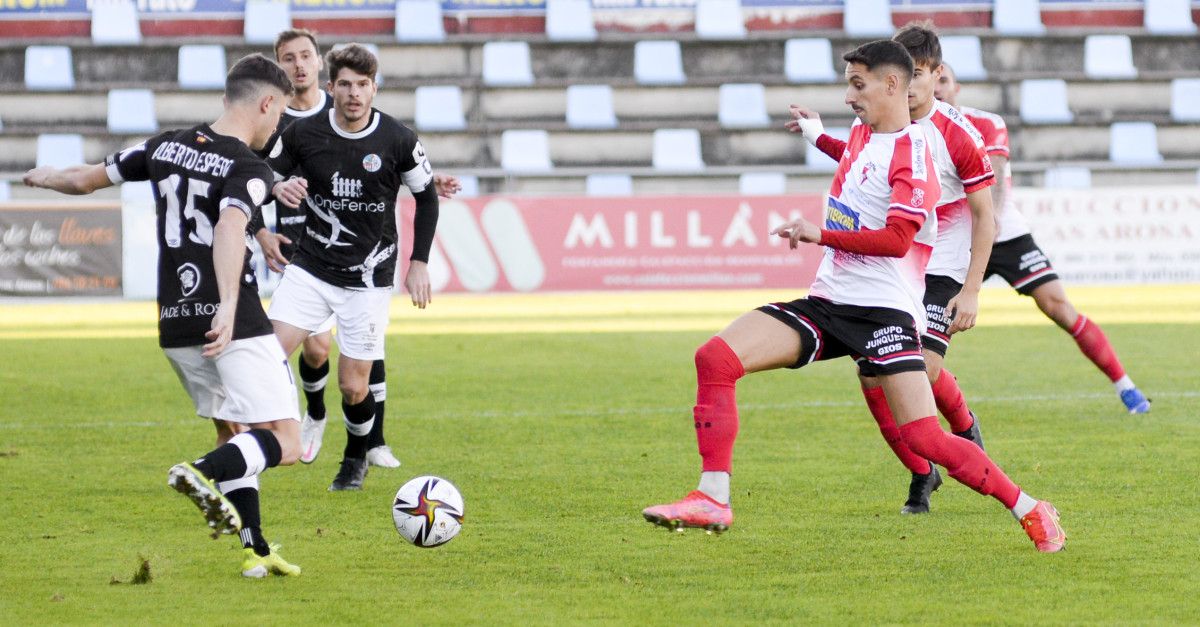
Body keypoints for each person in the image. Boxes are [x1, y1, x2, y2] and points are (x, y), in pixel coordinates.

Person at [641, 40, 1066, 552]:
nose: (848, 95)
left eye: (857, 83)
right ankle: (713, 498)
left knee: (925, 439)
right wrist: (818, 135)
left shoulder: (918, 153)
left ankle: (1030, 507)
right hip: (828, 301)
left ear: (893, 85)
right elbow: (861, 164)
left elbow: (897, 240)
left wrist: (822, 234)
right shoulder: (866, 134)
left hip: (883, 312)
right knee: (715, 358)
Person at [23, 54, 305, 577]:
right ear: (267, 103)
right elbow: (229, 227)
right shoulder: (250, 167)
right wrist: (224, 305)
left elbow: (85, 179)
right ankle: (197, 473)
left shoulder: (163, 145)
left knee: (234, 432)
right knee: (286, 442)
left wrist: (43, 177)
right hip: (232, 320)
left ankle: (256, 549)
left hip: (175, 322)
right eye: (279, 113)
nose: (277, 125)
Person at [789, 22, 996, 515]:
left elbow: (986, 215)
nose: (911, 82)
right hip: (893, 261)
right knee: (872, 377)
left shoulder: (959, 135)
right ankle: (923, 472)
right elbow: (862, 160)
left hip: (942, 260)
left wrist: (971, 291)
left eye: (920, 73)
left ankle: (965, 430)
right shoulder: (874, 124)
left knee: (918, 370)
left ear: (933, 74)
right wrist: (819, 136)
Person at [265, 43, 440, 491]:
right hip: (310, 267)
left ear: (374, 88)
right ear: (331, 88)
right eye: (345, 84)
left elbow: (426, 196)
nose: (354, 93)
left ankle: (355, 454)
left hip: (368, 279)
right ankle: (264, 444)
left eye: (362, 85)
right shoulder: (305, 135)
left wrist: (419, 261)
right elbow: (262, 175)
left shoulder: (398, 139)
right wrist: (277, 188)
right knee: (264, 356)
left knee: (354, 388)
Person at [934, 63, 1151, 414]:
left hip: (1004, 233)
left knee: (1057, 307)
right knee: (938, 324)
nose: (940, 87)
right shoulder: (922, 131)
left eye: (945, 80)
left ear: (956, 86)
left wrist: (994, 223)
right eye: (935, 80)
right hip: (956, 240)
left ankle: (1126, 386)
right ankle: (936, 405)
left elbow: (998, 176)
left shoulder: (985, 123)